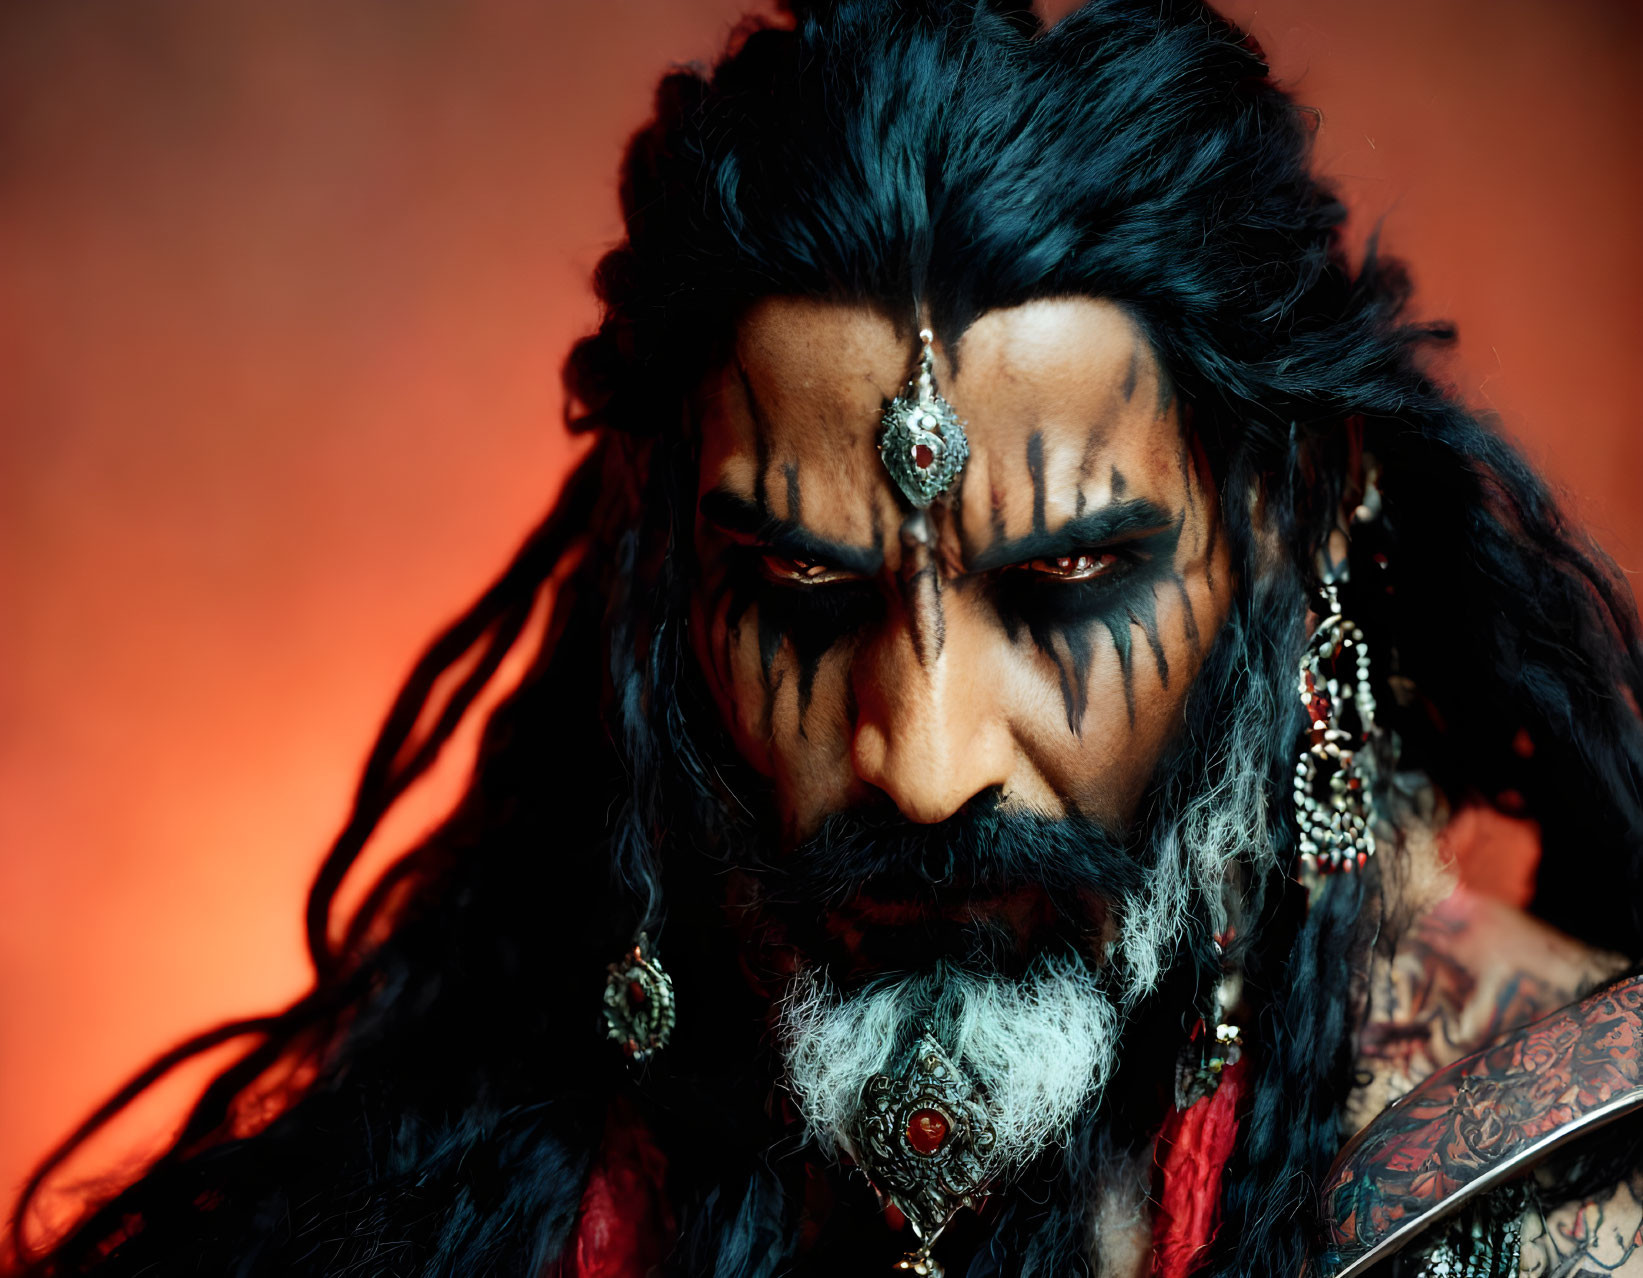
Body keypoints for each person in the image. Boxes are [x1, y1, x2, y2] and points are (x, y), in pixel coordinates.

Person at [9, 1, 1643, 1275]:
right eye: (804, 600)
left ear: (1300, 519)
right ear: (662, 575)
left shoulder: (1571, 1178)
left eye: (1067, 585)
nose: (925, 764)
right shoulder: (465, 1193)